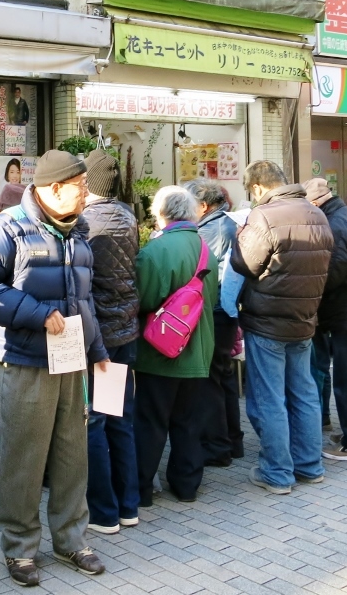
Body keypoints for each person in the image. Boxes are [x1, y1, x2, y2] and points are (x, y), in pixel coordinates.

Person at [0, 150, 109, 587]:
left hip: (72, 361)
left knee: (71, 453)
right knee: (24, 456)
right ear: (55, 188)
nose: (87, 194)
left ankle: (71, 539)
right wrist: (34, 312)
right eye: (81, 186)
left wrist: (97, 349)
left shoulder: (79, 233)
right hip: (25, 360)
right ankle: (20, 545)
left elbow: (86, 302)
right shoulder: (6, 228)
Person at [230, 161, 333, 494]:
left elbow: (245, 263)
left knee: (270, 398)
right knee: (304, 393)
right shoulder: (316, 213)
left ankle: (277, 472)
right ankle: (309, 465)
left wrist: (240, 235)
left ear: (258, 188)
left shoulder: (265, 216)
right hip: (305, 318)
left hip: (268, 321)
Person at [133, 187, 218, 506]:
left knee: (151, 421)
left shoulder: (155, 251)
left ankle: (141, 490)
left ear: (161, 213)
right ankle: (186, 486)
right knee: (189, 421)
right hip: (199, 349)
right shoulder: (204, 247)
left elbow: (142, 299)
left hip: (159, 352)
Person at [82, 149, 140, 534]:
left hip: (99, 336)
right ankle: (129, 505)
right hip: (125, 331)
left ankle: (103, 512)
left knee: (95, 422)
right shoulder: (129, 216)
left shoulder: (85, 222)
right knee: (119, 417)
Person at [184, 179, 244, 466]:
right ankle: (233, 441)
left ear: (203, 206)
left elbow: (197, 272)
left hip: (215, 311)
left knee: (211, 380)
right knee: (224, 377)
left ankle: (218, 447)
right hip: (226, 311)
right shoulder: (226, 223)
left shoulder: (211, 229)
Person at [302, 178, 347, 461]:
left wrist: (314, 289)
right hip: (344, 312)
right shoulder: (341, 215)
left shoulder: (336, 223)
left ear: (316, 203)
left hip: (344, 313)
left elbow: (334, 269)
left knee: (345, 380)